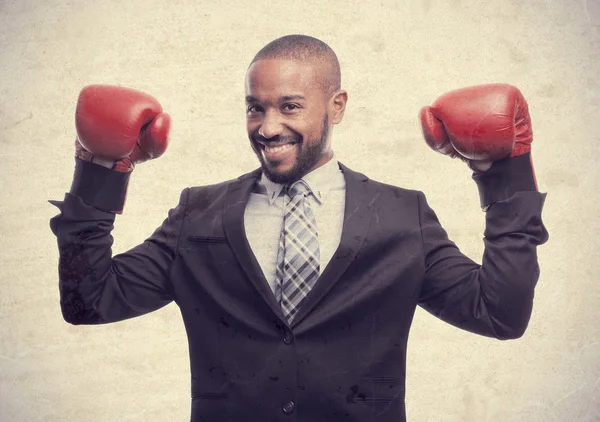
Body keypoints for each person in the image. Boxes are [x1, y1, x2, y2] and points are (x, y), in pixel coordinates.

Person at [49, 34, 549, 421]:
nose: (267, 127)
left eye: (289, 106)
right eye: (255, 107)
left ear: (337, 105)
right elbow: (89, 301)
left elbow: (499, 314)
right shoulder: (197, 214)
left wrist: (503, 175)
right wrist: (98, 170)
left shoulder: (403, 215)